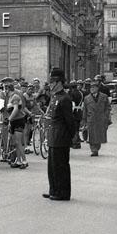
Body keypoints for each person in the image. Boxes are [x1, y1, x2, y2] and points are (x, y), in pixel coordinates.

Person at [43, 68, 75, 201]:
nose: (50, 84)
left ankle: (63, 193)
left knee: (61, 166)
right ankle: (54, 190)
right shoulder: (55, 97)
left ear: (59, 82)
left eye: (52, 82)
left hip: (61, 137)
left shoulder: (65, 98)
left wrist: (70, 137)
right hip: (53, 136)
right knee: (52, 167)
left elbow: (70, 121)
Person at [81, 80, 112, 157]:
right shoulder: (87, 98)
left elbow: (108, 108)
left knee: (98, 136)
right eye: (91, 87)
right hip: (91, 119)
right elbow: (85, 110)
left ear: (97, 88)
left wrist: (106, 116)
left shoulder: (104, 97)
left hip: (100, 119)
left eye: (93, 87)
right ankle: (94, 150)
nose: (92, 89)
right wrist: (84, 121)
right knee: (91, 135)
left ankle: (96, 148)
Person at [3, 80, 28, 169]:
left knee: (18, 142)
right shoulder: (10, 97)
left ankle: (24, 161)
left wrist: (9, 119)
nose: (4, 91)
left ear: (8, 89)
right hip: (13, 121)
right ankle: (18, 161)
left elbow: (16, 109)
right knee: (16, 143)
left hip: (19, 121)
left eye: (4, 89)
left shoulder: (15, 97)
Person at [69, 81, 84, 149]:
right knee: (77, 128)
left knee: (74, 128)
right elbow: (82, 103)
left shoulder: (72, 94)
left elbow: (73, 104)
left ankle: (75, 143)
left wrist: (70, 112)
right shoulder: (81, 93)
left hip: (74, 112)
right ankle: (78, 142)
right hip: (79, 111)